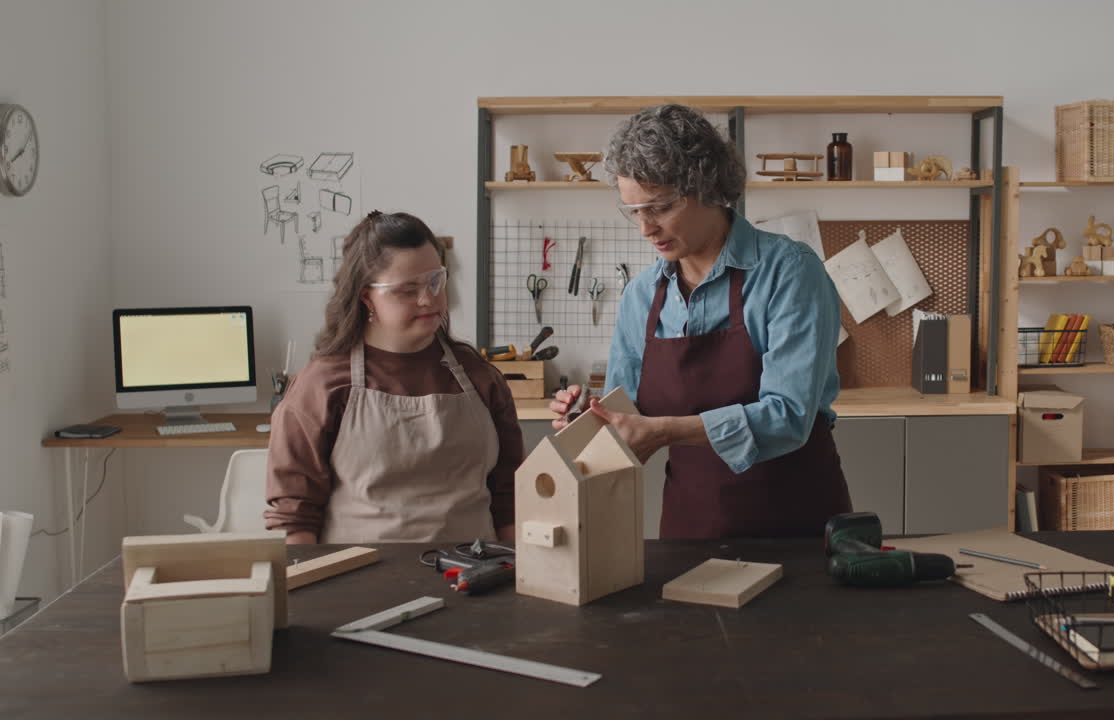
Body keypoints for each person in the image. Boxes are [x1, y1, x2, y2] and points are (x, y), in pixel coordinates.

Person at [550, 104, 852, 539]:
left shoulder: (789, 271)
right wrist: (590, 419)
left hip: (795, 523)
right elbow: (628, 420)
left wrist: (661, 432)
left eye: (659, 207)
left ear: (706, 186)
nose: (645, 228)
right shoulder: (640, 296)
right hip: (690, 525)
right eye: (634, 211)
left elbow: (788, 416)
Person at [266, 211, 522, 544]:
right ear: (366, 297)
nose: (428, 299)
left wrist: (518, 569)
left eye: (435, 281)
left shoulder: (480, 377)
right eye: (407, 290)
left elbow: (509, 499)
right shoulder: (322, 385)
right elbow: (295, 518)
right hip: (359, 575)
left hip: (476, 570)